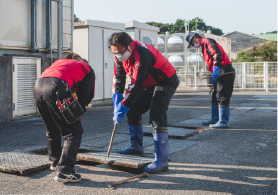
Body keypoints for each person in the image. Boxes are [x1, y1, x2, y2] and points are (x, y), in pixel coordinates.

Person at [109, 32, 179, 174]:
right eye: (114, 52)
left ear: (129, 46)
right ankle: (136, 147)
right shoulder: (119, 55)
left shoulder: (142, 55)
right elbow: (119, 78)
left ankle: (161, 160)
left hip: (165, 80)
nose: (118, 55)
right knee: (133, 110)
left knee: (156, 115)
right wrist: (117, 100)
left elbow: (136, 84)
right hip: (148, 83)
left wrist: (124, 105)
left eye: (120, 52)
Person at [33, 53, 95, 183]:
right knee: (74, 132)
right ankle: (65, 171)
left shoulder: (60, 63)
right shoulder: (86, 67)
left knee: (52, 126)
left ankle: (55, 162)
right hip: (57, 85)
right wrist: (77, 113)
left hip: (38, 86)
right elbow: (86, 95)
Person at [185, 32, 235, 128]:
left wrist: (216, 67)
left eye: (192, 43)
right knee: (215, 95)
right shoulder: (203, 47)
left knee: (222, 95)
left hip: (225, 70)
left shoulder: (207, 41)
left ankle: (223, 121)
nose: (192, 45)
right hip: (218, 71)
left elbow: (216, 54)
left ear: (195, 38)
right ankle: (215, 118)